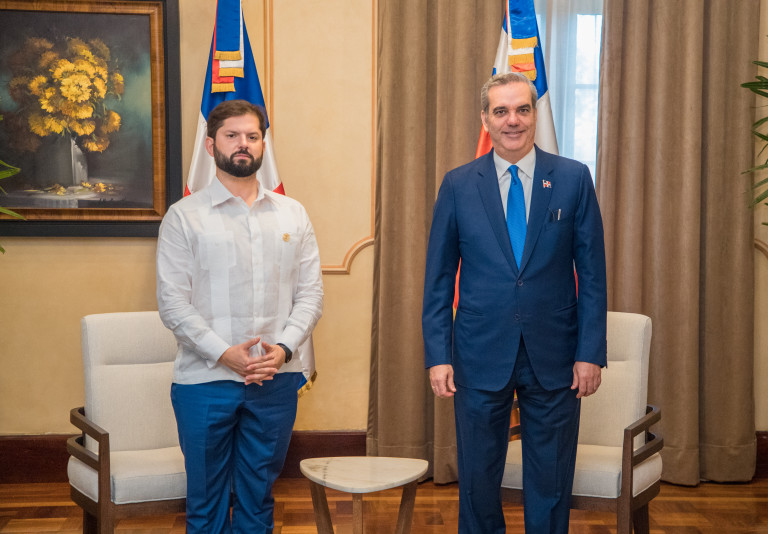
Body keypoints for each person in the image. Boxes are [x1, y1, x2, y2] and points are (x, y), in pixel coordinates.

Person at [422, 72, 607, 533]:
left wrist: (590, 352)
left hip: (556, 355)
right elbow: (439, 280)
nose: (513, 120)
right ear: (485, 119)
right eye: (501, 111)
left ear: (535, 114)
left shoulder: (572, 179)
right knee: (477, 480)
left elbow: (592, 275)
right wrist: (438, 356)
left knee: (551, 479)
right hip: (479, 352)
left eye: (522, 109)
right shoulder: (458, 185)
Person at [156, 99, 323, 534]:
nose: (243, 144)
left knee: (258, 499)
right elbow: (173, 303)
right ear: (211, 145)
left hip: (275, 380)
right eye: (232, 136)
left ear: (263, 144)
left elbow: (310, 295)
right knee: (205, 503)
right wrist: (223, 353)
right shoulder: (183, 217)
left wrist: (283, 350)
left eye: (252, 136)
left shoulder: (293, 214)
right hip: (204, 381)